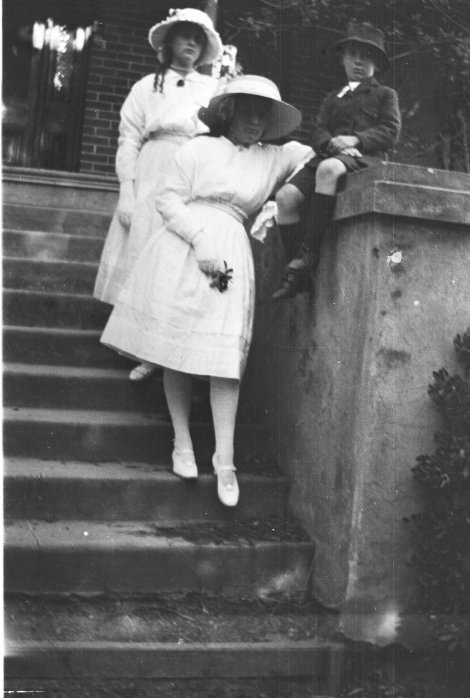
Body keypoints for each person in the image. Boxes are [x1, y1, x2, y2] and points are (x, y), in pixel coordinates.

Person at [99, 75, 314, 506]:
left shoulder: (273, 157)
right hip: (183, 245)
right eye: (247, 110)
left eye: (263, 113)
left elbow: (313, 157)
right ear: (229, 111)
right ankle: (182, 442)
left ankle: (225, 460)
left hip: (232, 247)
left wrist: (279, 202)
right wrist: (199, 242)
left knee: (223, 359)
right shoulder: (196, 148)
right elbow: (168, 201)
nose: (255, 120)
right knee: (176, 346)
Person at [93, 7, 223, 381]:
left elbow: (219, 135)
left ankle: (164, 347)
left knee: (176, 255)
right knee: (145, 247)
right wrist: (127, 191)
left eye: (199, 39)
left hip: (193, 170)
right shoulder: (146, 87)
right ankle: (138, 343)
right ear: (170, 42)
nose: (192, 44)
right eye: (186, 36)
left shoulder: (212, 90)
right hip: (153, 169)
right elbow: (129, 140)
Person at [271, 22, 401, 299]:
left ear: (376, 63)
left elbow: (391, 131)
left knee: (329, 170)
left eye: (366, 56)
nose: (358, 61)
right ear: (342, 59)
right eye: (352, 54)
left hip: (364, 160)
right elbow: (317, 131)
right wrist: (331, 143)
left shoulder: (384, 95)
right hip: (329, 156)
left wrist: (356, 140)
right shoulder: (333, 98)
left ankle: (309, 254)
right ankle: (297, 272)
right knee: (285, 197)